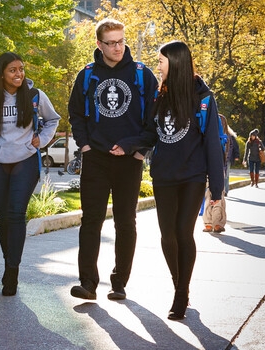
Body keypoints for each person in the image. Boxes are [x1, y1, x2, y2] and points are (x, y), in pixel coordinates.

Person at [111, 41, 224, 320]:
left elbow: (212, 144)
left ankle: (181, 294)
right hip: (164, 176)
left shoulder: (204, 99)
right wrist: (128, 145)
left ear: (174, 62)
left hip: (192, 177)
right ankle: (179, 283)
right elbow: (151, 133)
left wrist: (217, 188)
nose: (157, 65)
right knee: (167, 236)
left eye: (161, 60)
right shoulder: (160, 96)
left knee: (183, 234)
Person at [68, 18, 158, 302]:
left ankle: (119, 282)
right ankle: (88, 283)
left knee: (125, 222)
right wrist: (84, 146)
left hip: (130, 160)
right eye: (111, 43)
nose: (118, 47)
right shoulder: (87, 76)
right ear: (99, 44)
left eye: (121, 41)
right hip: (96, 159)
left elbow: (154, 120)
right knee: (91, 221)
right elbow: (76, 114)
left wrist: (138, 149)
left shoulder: (143, 75)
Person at [0, 52, 60, 296]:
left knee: (15, 213)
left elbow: (53, 119)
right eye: (13, 70)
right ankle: (7, 261)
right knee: (2, 217)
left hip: (25, 160)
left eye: (21, 69)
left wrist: (40, 140)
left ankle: (12, 270)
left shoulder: (34, 96)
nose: (19, 74)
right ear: (2, 73)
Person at [224, 120, 240, 196]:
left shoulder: (231, 137)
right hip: (220, 158)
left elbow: (236, 147)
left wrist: (236, 156)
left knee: (226, 175)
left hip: (228, 158)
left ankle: (225, 191)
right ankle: (221, 190)